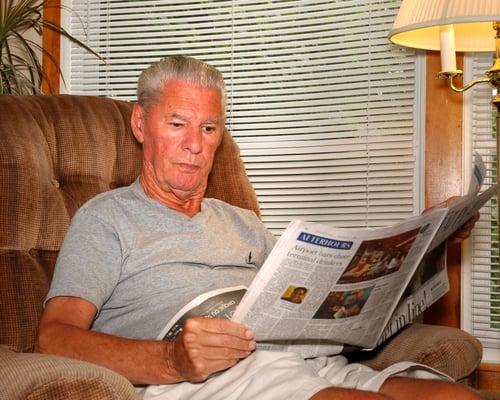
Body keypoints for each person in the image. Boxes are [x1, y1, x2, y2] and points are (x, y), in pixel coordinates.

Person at [36, 56, 481, 400]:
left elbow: (310, 305)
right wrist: (172, 359)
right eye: (177, 124)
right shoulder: (106, 218)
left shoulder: (242, 222)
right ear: (140, 124)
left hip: (305, 364)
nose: (194, 145)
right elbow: (53, 336)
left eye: (208, 128)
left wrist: (426, 246)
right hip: (206, 380)